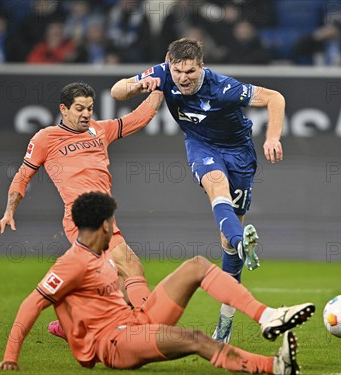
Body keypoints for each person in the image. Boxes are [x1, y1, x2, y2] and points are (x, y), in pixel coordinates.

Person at [0, 191, 315, 373]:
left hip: (134, 320)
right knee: (195, 338)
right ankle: (273, 367)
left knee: (196, 266)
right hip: (116, 343)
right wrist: (11, 357)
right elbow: (33, 303)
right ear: (105, 225)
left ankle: (267, 316)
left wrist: (69, 328)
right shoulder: (72, 263)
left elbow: (93, 303)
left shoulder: (101, 256)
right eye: (112, 221)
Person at [110, 38, 286, 343]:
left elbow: (275, 98)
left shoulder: (224, 88)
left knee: (228, 246)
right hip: (201, 146)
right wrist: (136, 87)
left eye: (190, 71)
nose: (183, 77)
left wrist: (272, 137)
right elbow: (116, 90)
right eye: (178, 71)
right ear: (170, 64)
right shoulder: (162, 73)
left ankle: (226, 319)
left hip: (240, 154)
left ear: (201, 66)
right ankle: (240, 241)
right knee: (216, 185)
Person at [0, 82, 163, 335]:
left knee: (114, 283)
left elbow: (138, 118)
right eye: (79, 108)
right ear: (64, 109)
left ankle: (72, 324)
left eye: (90, 108)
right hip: (81, 218)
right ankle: (150, 330)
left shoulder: (99, 130)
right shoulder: (45, 138)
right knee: (131, 267)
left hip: (103, 217)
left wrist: (160, 86)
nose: (86, 114)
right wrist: (9, 211)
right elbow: (22, 175)